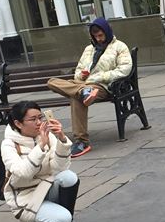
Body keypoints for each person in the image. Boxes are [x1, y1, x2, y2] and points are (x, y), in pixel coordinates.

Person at [46, 18, 132, 158]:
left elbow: (124, 70)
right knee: (51, 82)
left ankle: (82, 142)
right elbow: (77, 73)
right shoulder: (88, 49)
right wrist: (82, 74)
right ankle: (83, 92)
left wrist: (99, 77)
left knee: (76, 98)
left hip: (102, 86)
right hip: (83, 85)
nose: (98, 39)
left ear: (107, 32)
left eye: (101, 35)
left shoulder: (120, 47)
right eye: (95, 36)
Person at [1, 100, 85, 222]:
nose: (39, 122)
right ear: (18, 124)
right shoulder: (8, 145)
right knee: (62, 220)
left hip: (46, 186)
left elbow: (60, 168)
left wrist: (62, 139)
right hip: (25, 195)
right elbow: (24, 173)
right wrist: (40, 147)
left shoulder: (46, 135)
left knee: (69, 177)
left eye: (40, 117)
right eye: (33, 119)